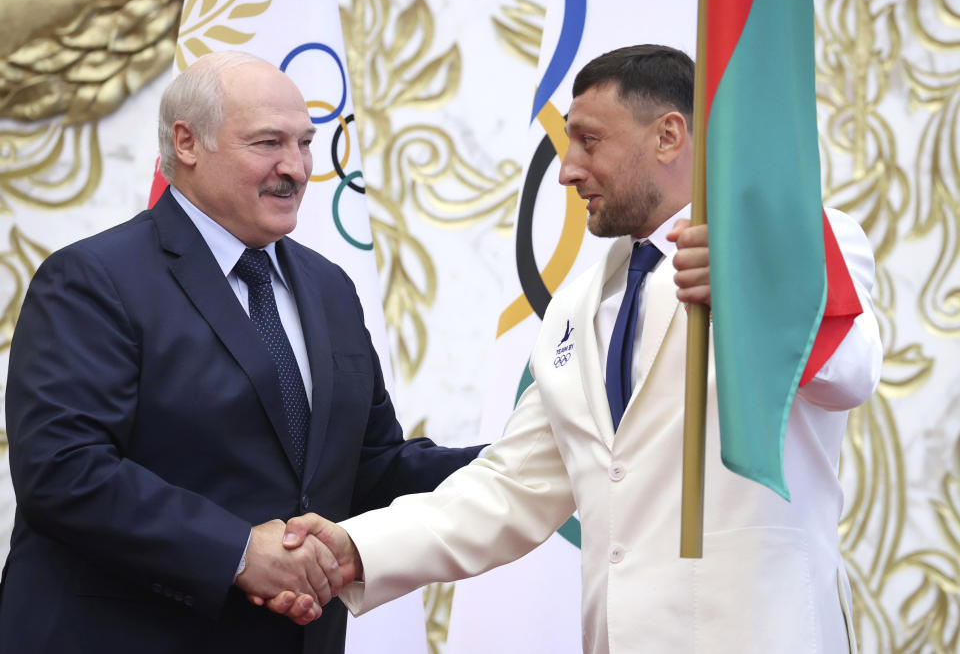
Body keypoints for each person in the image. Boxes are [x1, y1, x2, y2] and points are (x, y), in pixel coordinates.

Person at [277, 45, 883, 653]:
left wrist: (749, 293)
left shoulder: (797, 240)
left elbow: (851, 373)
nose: (567, 170)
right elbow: (511, 485)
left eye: (589, 142)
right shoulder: (578, 302)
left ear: (669, 136)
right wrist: (355, 549)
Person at [0, 51, 481, 654]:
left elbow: (368, 467)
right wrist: (236, 552)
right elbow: (64, 472)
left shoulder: (330, 287)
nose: (297, 169)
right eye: (268, 143)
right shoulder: (93, 279)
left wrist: (529, 457)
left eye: (305, 143)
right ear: (187, 142)